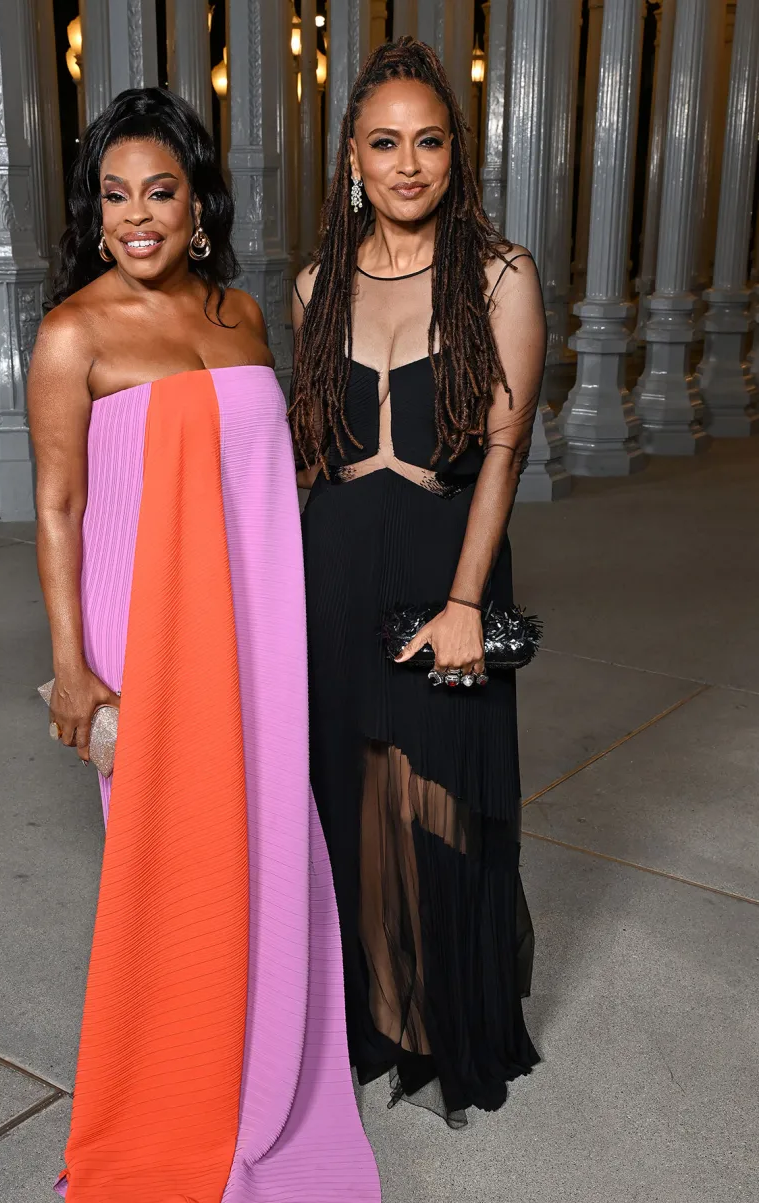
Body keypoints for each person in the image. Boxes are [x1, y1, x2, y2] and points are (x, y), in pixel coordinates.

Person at [28, 87, 379, 1203]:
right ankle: (180, 1097)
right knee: (171, 869)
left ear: (198, 204)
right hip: (143, 638)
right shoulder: (73, 332)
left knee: (270, 844)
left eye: (160, 192)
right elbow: (59, 506)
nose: (137, 216)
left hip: (253, 623)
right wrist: (75, 667)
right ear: (95, 211)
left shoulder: (238, 314)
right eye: (114, 195)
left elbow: (261, 474)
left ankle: (261, 1073)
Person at [291, 39, 542, 1130]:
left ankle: (446, 1016)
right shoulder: (314, 283)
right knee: (351, 794)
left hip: (446, 560)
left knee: (436, 793)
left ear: (455, 154)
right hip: (336, 562)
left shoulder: (500, 276)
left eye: (428, 142)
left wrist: (466, 604)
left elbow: (506, 450)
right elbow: (306, 457)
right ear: (352, 155)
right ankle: (374, 1012)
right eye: (384, 143)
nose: (407, 165)